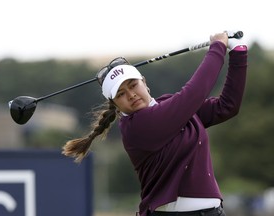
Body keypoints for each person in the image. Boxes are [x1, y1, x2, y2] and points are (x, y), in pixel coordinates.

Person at [62, 31, 248, 216]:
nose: (131, 95)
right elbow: (194, 93)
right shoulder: (137, 127)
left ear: (144, 82)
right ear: (116, 105)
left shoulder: (169, 105)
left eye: (133, 85)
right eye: (121, 94)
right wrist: (217, 48)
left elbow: (226, 107)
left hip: (213, 212)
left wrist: (238, 54)